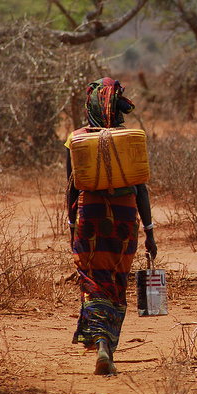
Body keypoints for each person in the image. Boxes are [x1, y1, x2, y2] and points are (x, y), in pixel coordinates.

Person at [66, 77, 158, 375]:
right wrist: (150, 232)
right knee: (117, 280)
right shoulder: (130, 139)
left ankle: (101, 341)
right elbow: (141, 189)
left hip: (90, 219)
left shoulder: (77, 139)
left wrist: (72, 226)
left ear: (90, 105)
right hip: (124, 220)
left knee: (93, 281)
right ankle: (107, 345)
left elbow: (72, 188)